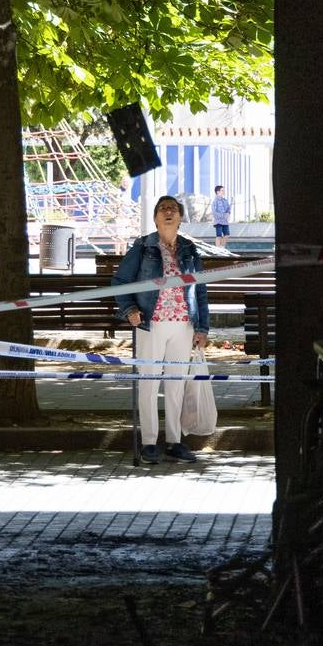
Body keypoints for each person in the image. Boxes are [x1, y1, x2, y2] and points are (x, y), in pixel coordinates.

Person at [112, 195, 210, 465]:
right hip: (150, 323)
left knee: (176, 384)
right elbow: (120, 281)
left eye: (173, 209)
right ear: (155, 217)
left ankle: (175, 441)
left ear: (180, 217)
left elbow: (200, 288)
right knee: (149, 383)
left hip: (183, 324)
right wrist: (130, 309)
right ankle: (149, 442)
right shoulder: (143, 247)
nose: (168, 212)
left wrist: (202, 327)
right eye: (163, 209)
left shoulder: (189, 248)